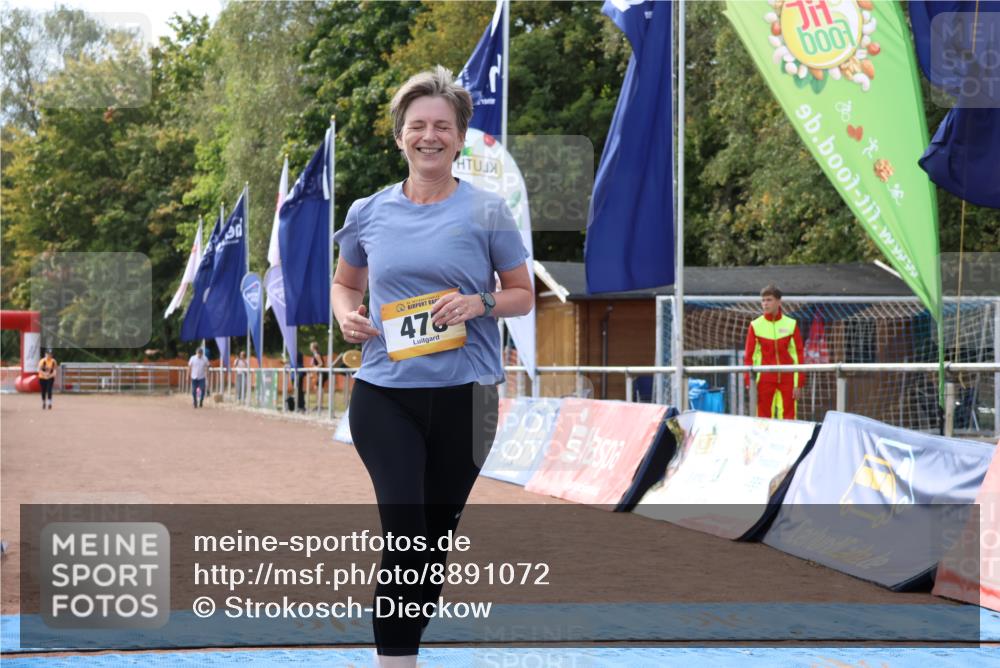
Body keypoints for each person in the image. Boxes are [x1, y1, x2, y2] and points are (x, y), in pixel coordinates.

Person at [332, 66, 533, 666]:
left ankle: (406, 654)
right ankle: (393, 662)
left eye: (442, 126)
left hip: (468, 398)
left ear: (459, 137)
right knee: (404, 530)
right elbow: (345, 284)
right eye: (417, 125)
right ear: (399, 136)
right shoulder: (368, 212)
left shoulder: (488, 211)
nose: (429, 136)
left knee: (432, 540)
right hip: (384, 392)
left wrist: (481, 303)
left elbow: (522, 293)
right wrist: (347, 314)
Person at [743, 284, 806, 419]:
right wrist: (749, 383)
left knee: (789, 418)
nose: (765, 304)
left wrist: (798, 383)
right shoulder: (755, 325)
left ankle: (789, 441)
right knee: (763, 419)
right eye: (763, 300)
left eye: (769, 300)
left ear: (778, 301)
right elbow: (749, 357)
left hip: (788, 378)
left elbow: (799, 354)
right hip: (764, 379)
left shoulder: (791, 324)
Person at [309, 341, 328, 410]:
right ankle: (319, 405)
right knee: (317, 388)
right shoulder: (315, 354)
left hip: (322, 374)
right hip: (320, 374)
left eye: (311, 346)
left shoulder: (316, 354)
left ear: (313, 348)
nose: (310, 348)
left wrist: (315, 367)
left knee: (319, 389)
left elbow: (321, 364)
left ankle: (319, 405)